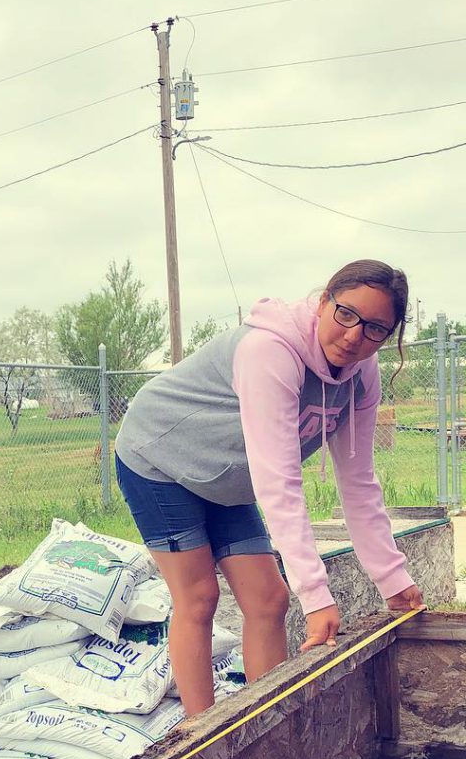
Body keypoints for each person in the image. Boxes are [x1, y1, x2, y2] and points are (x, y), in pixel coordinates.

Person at [115, 260, 425, 717]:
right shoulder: (270, 352)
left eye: (376, 328)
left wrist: (394, 580)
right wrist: (317, 597)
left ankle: (267, 729)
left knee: (269, 598)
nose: (355, 336)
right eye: (346, 314)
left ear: (390, 335)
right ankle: (202, 736)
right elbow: (279, 482)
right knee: (199, 597)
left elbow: (358, 483)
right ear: (323, 302)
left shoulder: (362, 374)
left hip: (225, 476)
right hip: (160, 459)